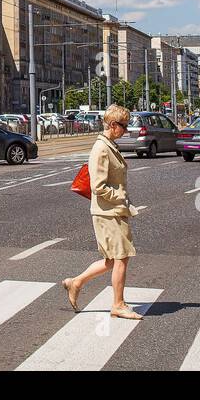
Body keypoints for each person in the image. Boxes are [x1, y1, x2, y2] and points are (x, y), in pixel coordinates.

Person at [62, 104, 142, 320]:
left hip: (112, 210)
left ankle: (75, 282)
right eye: (123, 126)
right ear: (113, 125)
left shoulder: (110, 145)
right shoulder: (101, 148)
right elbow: (98, 186)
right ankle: (118, 304)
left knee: (111, 260)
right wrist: (121, 197)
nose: (125, 130)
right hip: (108, 212)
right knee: (121, 257)